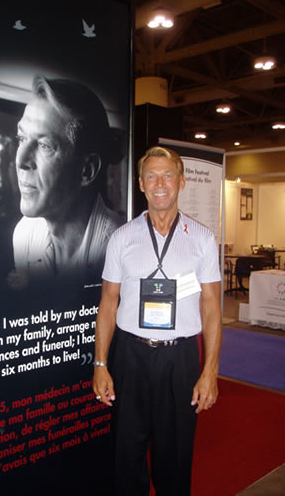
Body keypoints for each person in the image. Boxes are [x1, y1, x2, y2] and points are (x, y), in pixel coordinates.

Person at [93, 146, 222, 495]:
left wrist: (209, 372)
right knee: (126, 455)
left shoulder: (203, 239)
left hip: (179, 360)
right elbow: (108, 302)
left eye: (167, 175)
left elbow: (211, 308)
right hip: (129, 358)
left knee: (175, 457)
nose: (160, 183)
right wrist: (101, 363)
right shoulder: (122, 239)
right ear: (140, 183)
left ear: (181, 182)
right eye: (151, 176)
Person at [11, 75, 123, 286]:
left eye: (45, 145)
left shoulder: (120, 249)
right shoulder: (24, 234)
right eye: (21, 139)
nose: (20, 160)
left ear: (87, 171)